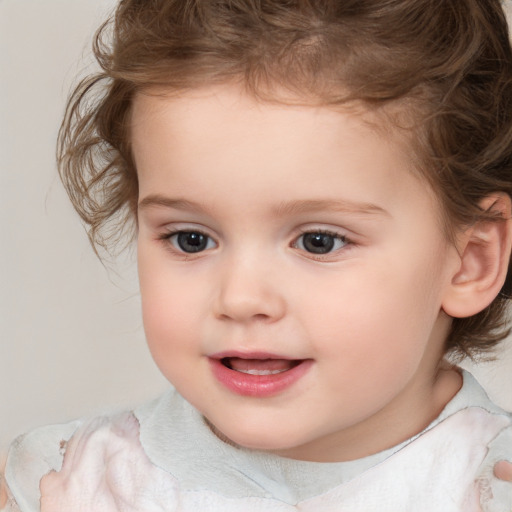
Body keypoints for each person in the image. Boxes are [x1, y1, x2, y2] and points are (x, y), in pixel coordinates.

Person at [3, 0, 512, 510]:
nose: (241, 298)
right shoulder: (66, 481)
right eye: (191, 239)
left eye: (319, 241)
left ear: (471, 261)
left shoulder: (490, 485)